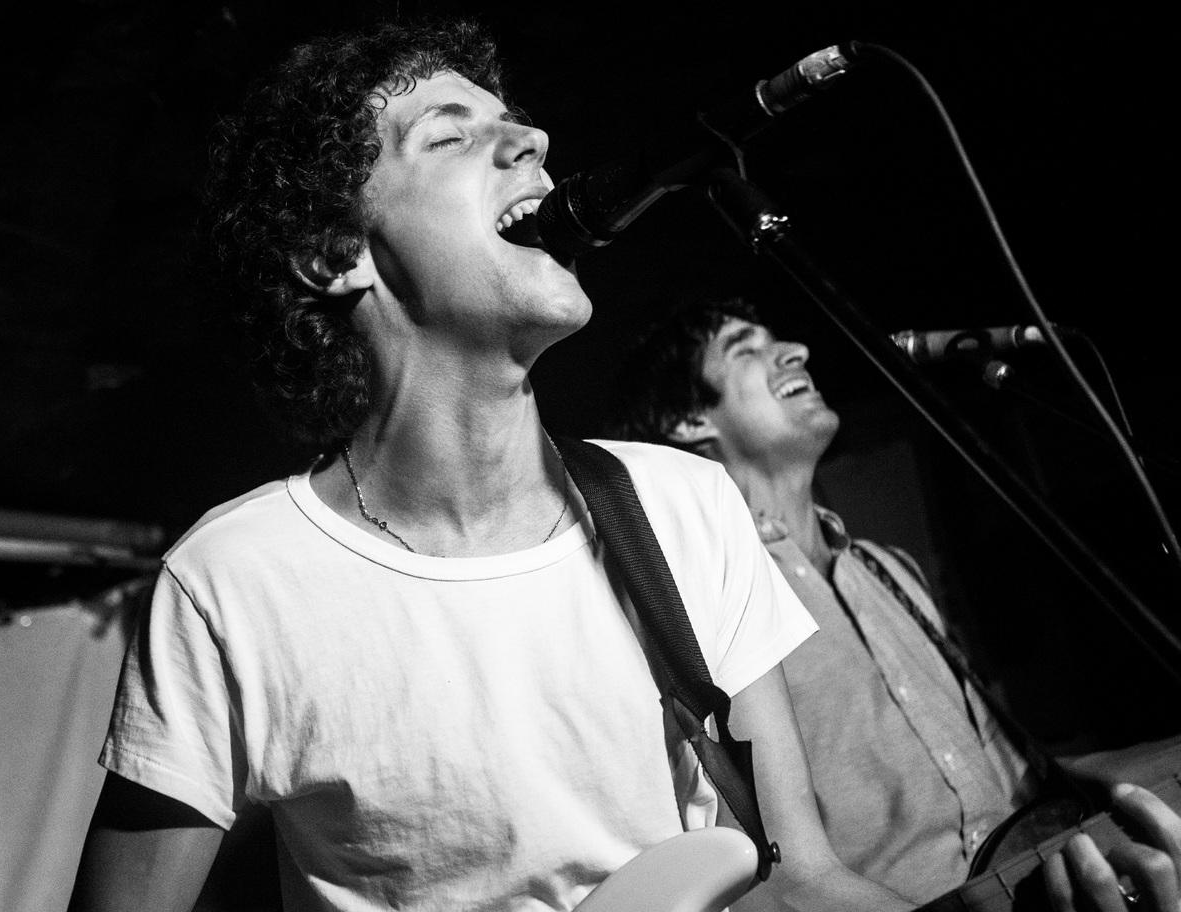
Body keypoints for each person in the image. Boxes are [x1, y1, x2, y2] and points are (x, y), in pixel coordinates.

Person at [67, 20, 1179, 912]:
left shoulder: (682, 508)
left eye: (516, 121)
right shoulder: (236, 581)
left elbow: (799, 881)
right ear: (333, 252)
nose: (534, 141)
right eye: (451, 136)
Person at [604, 292, 1181, 909]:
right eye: (746, 349)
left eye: (780, 341)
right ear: (688, 419)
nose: (796, 351)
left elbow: (1013, 775)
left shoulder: (889, 569)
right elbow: (768, 874)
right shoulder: (704, 596)